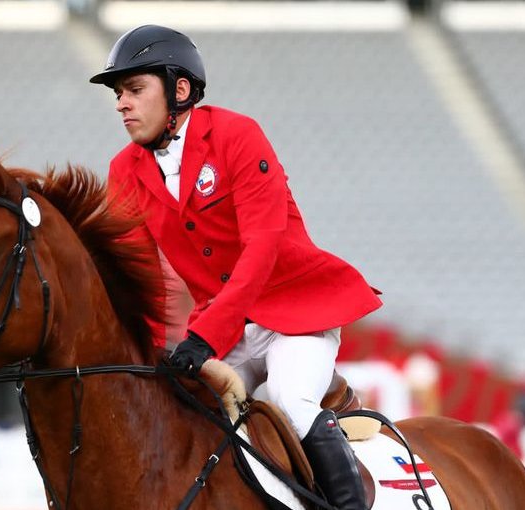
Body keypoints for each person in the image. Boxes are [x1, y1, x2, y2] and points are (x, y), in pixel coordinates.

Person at [91, 25, 382, 510]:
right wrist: (145, 353)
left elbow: (262, 249)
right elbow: (136, 276)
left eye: (135, 90)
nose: (122, 103)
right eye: (120, 94)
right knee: (180, 415)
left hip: (295, 313)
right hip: (229, 335)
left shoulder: (236, 135)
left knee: (288, 403)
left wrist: (204, 335)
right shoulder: (125, 170)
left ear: (179, 90)